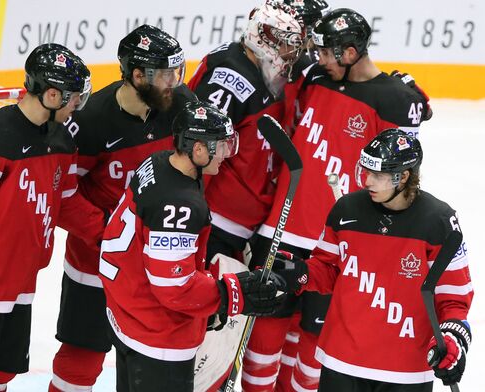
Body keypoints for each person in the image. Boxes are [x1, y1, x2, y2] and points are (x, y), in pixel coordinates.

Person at [246, 8, 431, 392]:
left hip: (336, 239)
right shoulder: (315, 76)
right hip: (282, 227)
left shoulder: (395, 101)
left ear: (350, 53)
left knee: (313, 346)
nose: (319, 58)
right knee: (263, 337)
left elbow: (402, 172)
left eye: (328, 52)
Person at [0, 43, 105, 391]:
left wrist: (114, 233)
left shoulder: (61, 141)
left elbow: (67, 202)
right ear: (53, 95)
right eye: (74, 98)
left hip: (23, 283)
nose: (78, 106)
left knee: (0, 377)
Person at [48, 25, 197, 392]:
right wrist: (111, 237)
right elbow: (62, 196)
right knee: (81, 358)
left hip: (157, 262)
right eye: (165, 74)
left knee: (147, 359)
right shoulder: (90, 120)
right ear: (136, 75)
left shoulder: (181, 105)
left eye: (177, 73)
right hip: (98, 262)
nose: (173, 82)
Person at [99, 101, 284, 392]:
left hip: (128, 312)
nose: (226, 154)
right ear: (198, 149)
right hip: (158, 336)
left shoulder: (159, 162)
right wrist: (231, 294)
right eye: (221, 145)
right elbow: (174, 287)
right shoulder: (180, 205)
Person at [276, 128, 473, 391]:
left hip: (406, 368)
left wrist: (453, 336)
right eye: (366, 171)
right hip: (342, 359)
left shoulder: (439, 222)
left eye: (377, 175)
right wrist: (298, 272)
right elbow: (329, 269)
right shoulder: (346, 210)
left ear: (403, 176)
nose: (367, 181)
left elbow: (454, 297)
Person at [188, 0, 304, 263]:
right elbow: (198, 146)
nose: (289, 54)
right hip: (213, 221)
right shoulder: (231, 77)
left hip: (234, 226)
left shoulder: (253, 68)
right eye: (285, 43)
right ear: (263, 37)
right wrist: (192, 209)